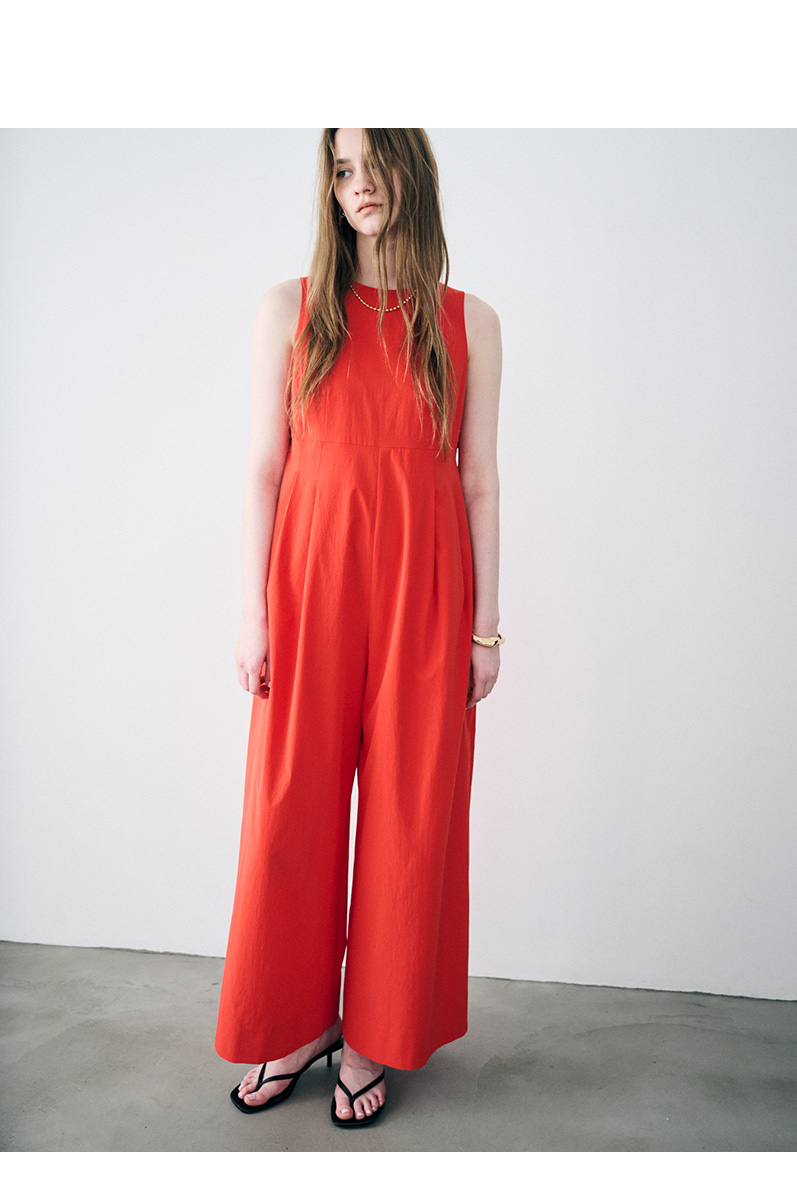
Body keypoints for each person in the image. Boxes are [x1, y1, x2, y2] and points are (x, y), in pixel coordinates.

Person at [214, 127, 503, 1128]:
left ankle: (375, 1028)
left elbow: (478, 477)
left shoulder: (469, 322)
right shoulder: (289, 308)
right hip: (309, 585)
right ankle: (297, 1022)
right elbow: (265, 466)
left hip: (427, 589)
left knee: (410, 815)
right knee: (289, 805)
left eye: (374, 166)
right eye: (342, 169)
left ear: (409, 175)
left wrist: (485, 629)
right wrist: (253, 611)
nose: (359, 186)